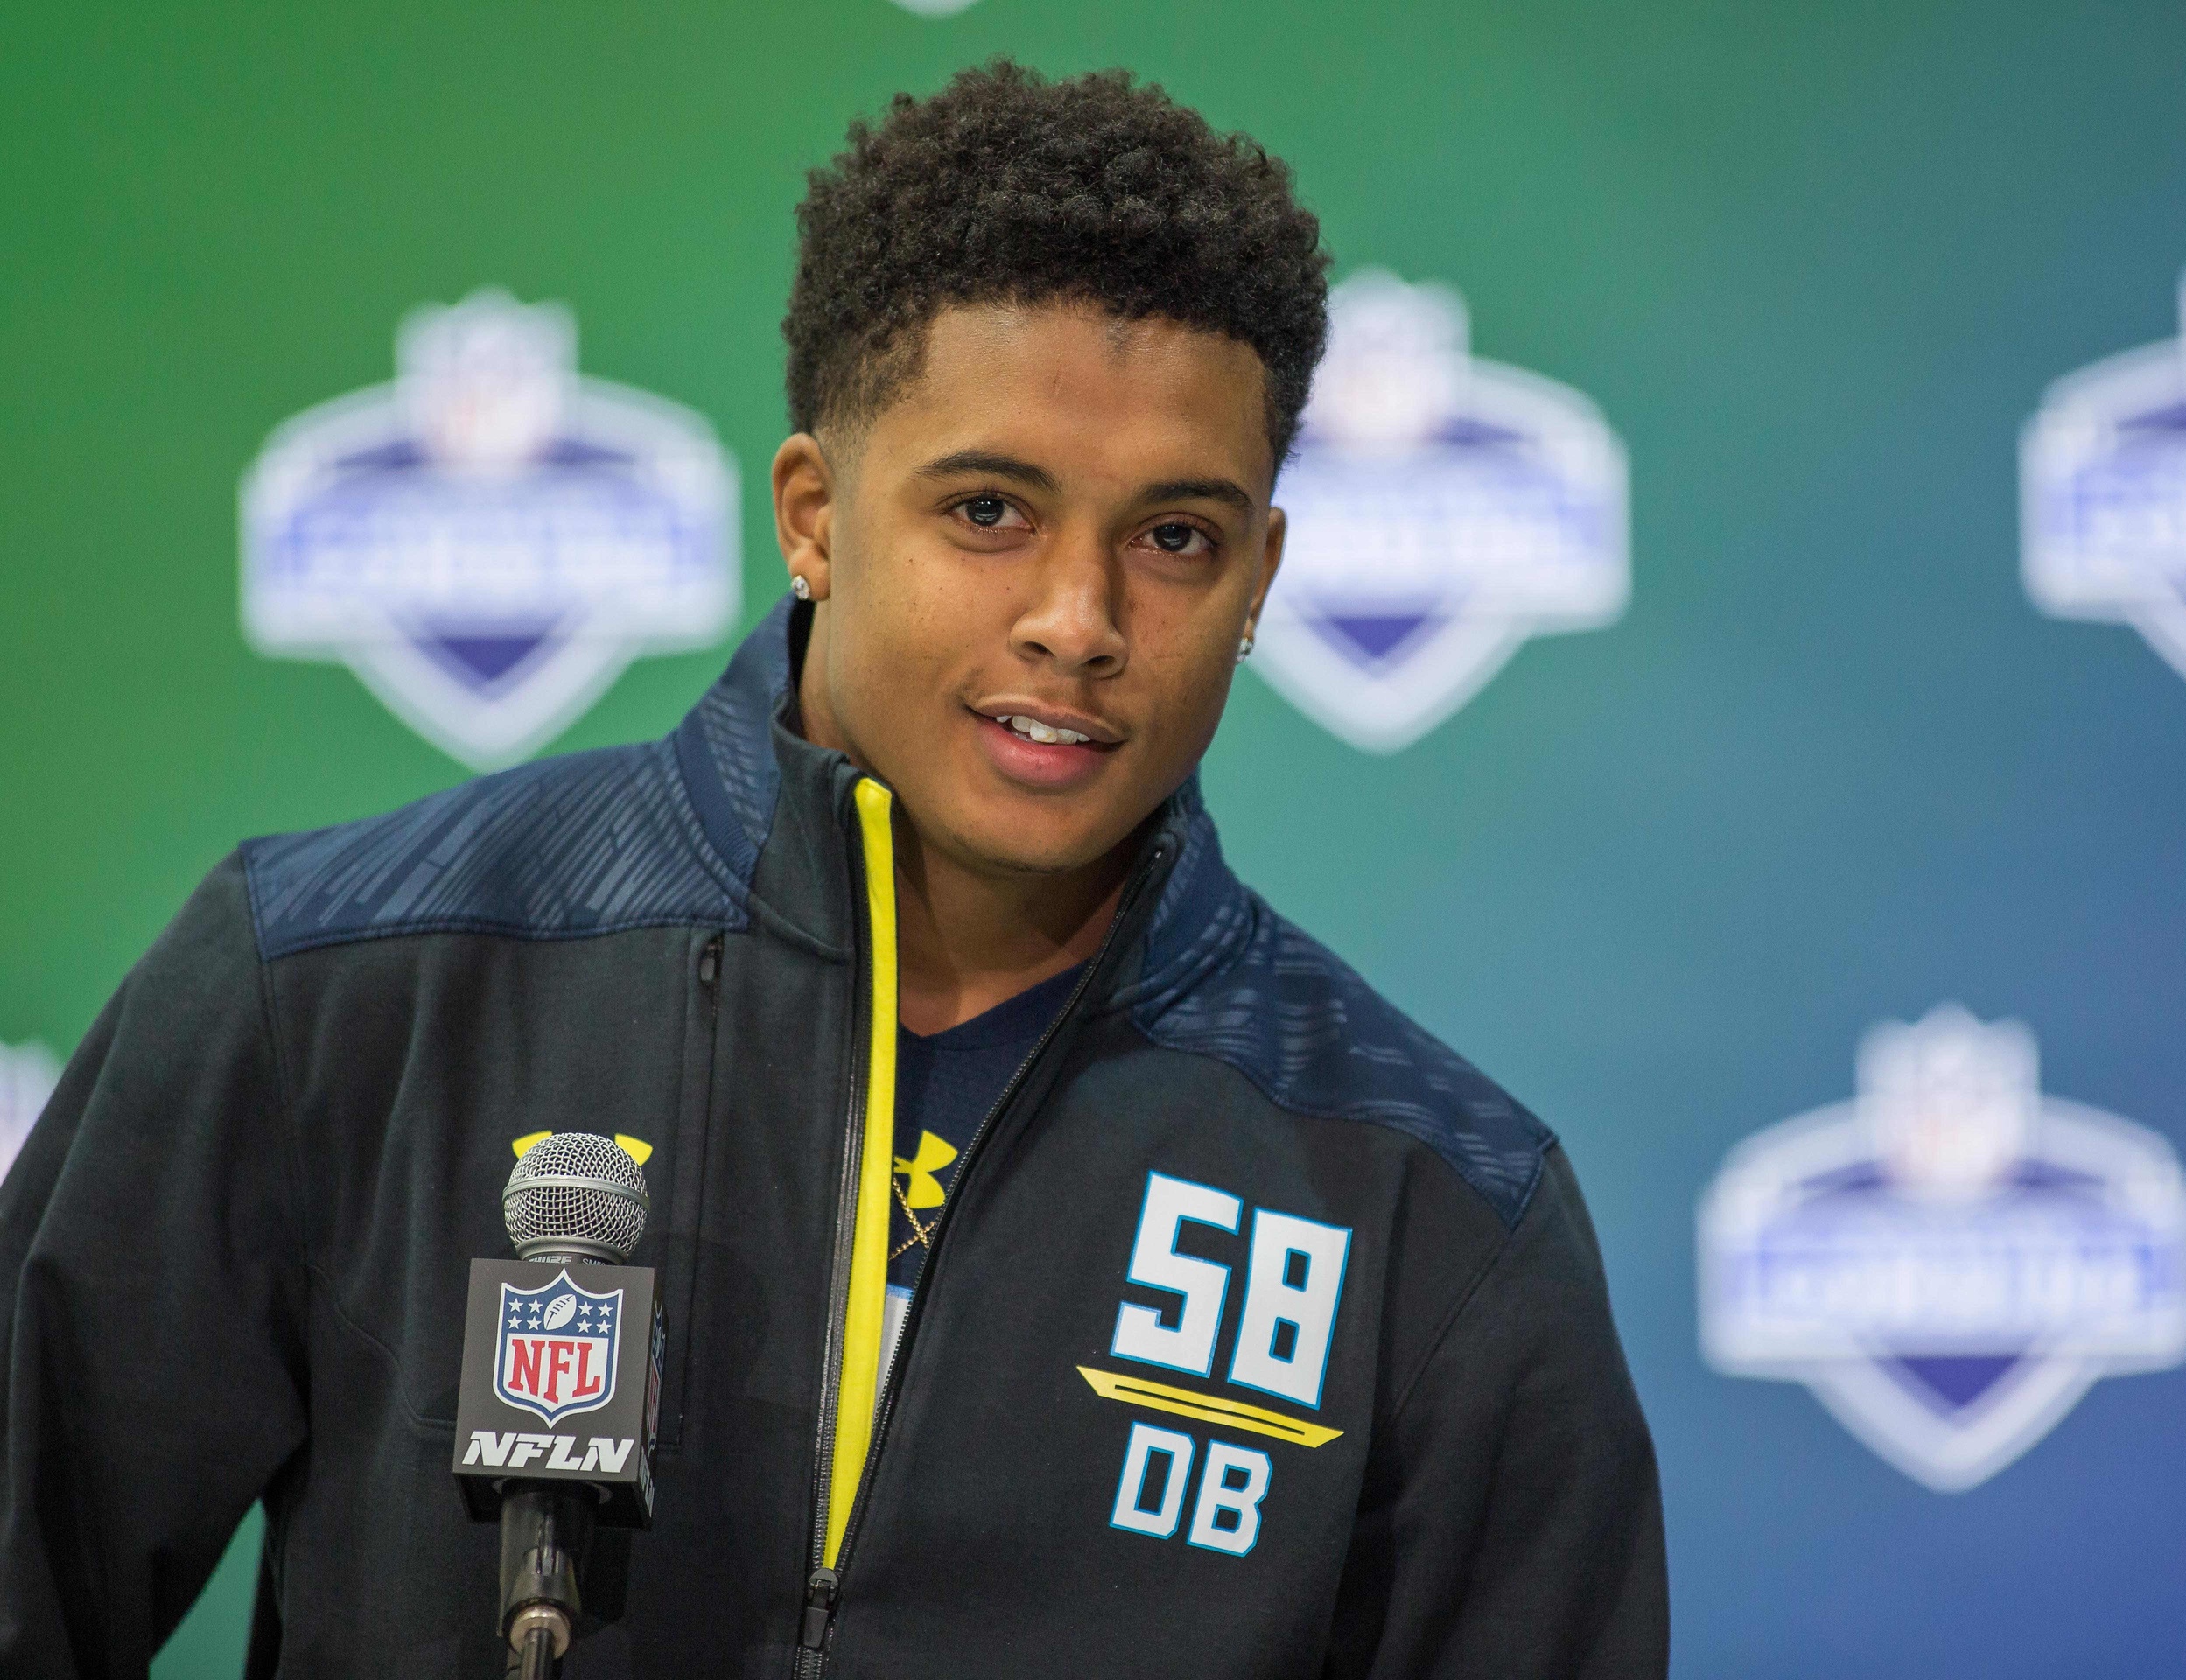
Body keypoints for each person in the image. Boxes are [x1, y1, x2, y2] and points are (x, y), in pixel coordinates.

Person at [0, 62, 1665, 1677]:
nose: (1078, 621)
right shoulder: (344, 990)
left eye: (1175, 537)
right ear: (814, 512)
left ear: (1260, 576)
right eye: (992, 509)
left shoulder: (1427, 1203)